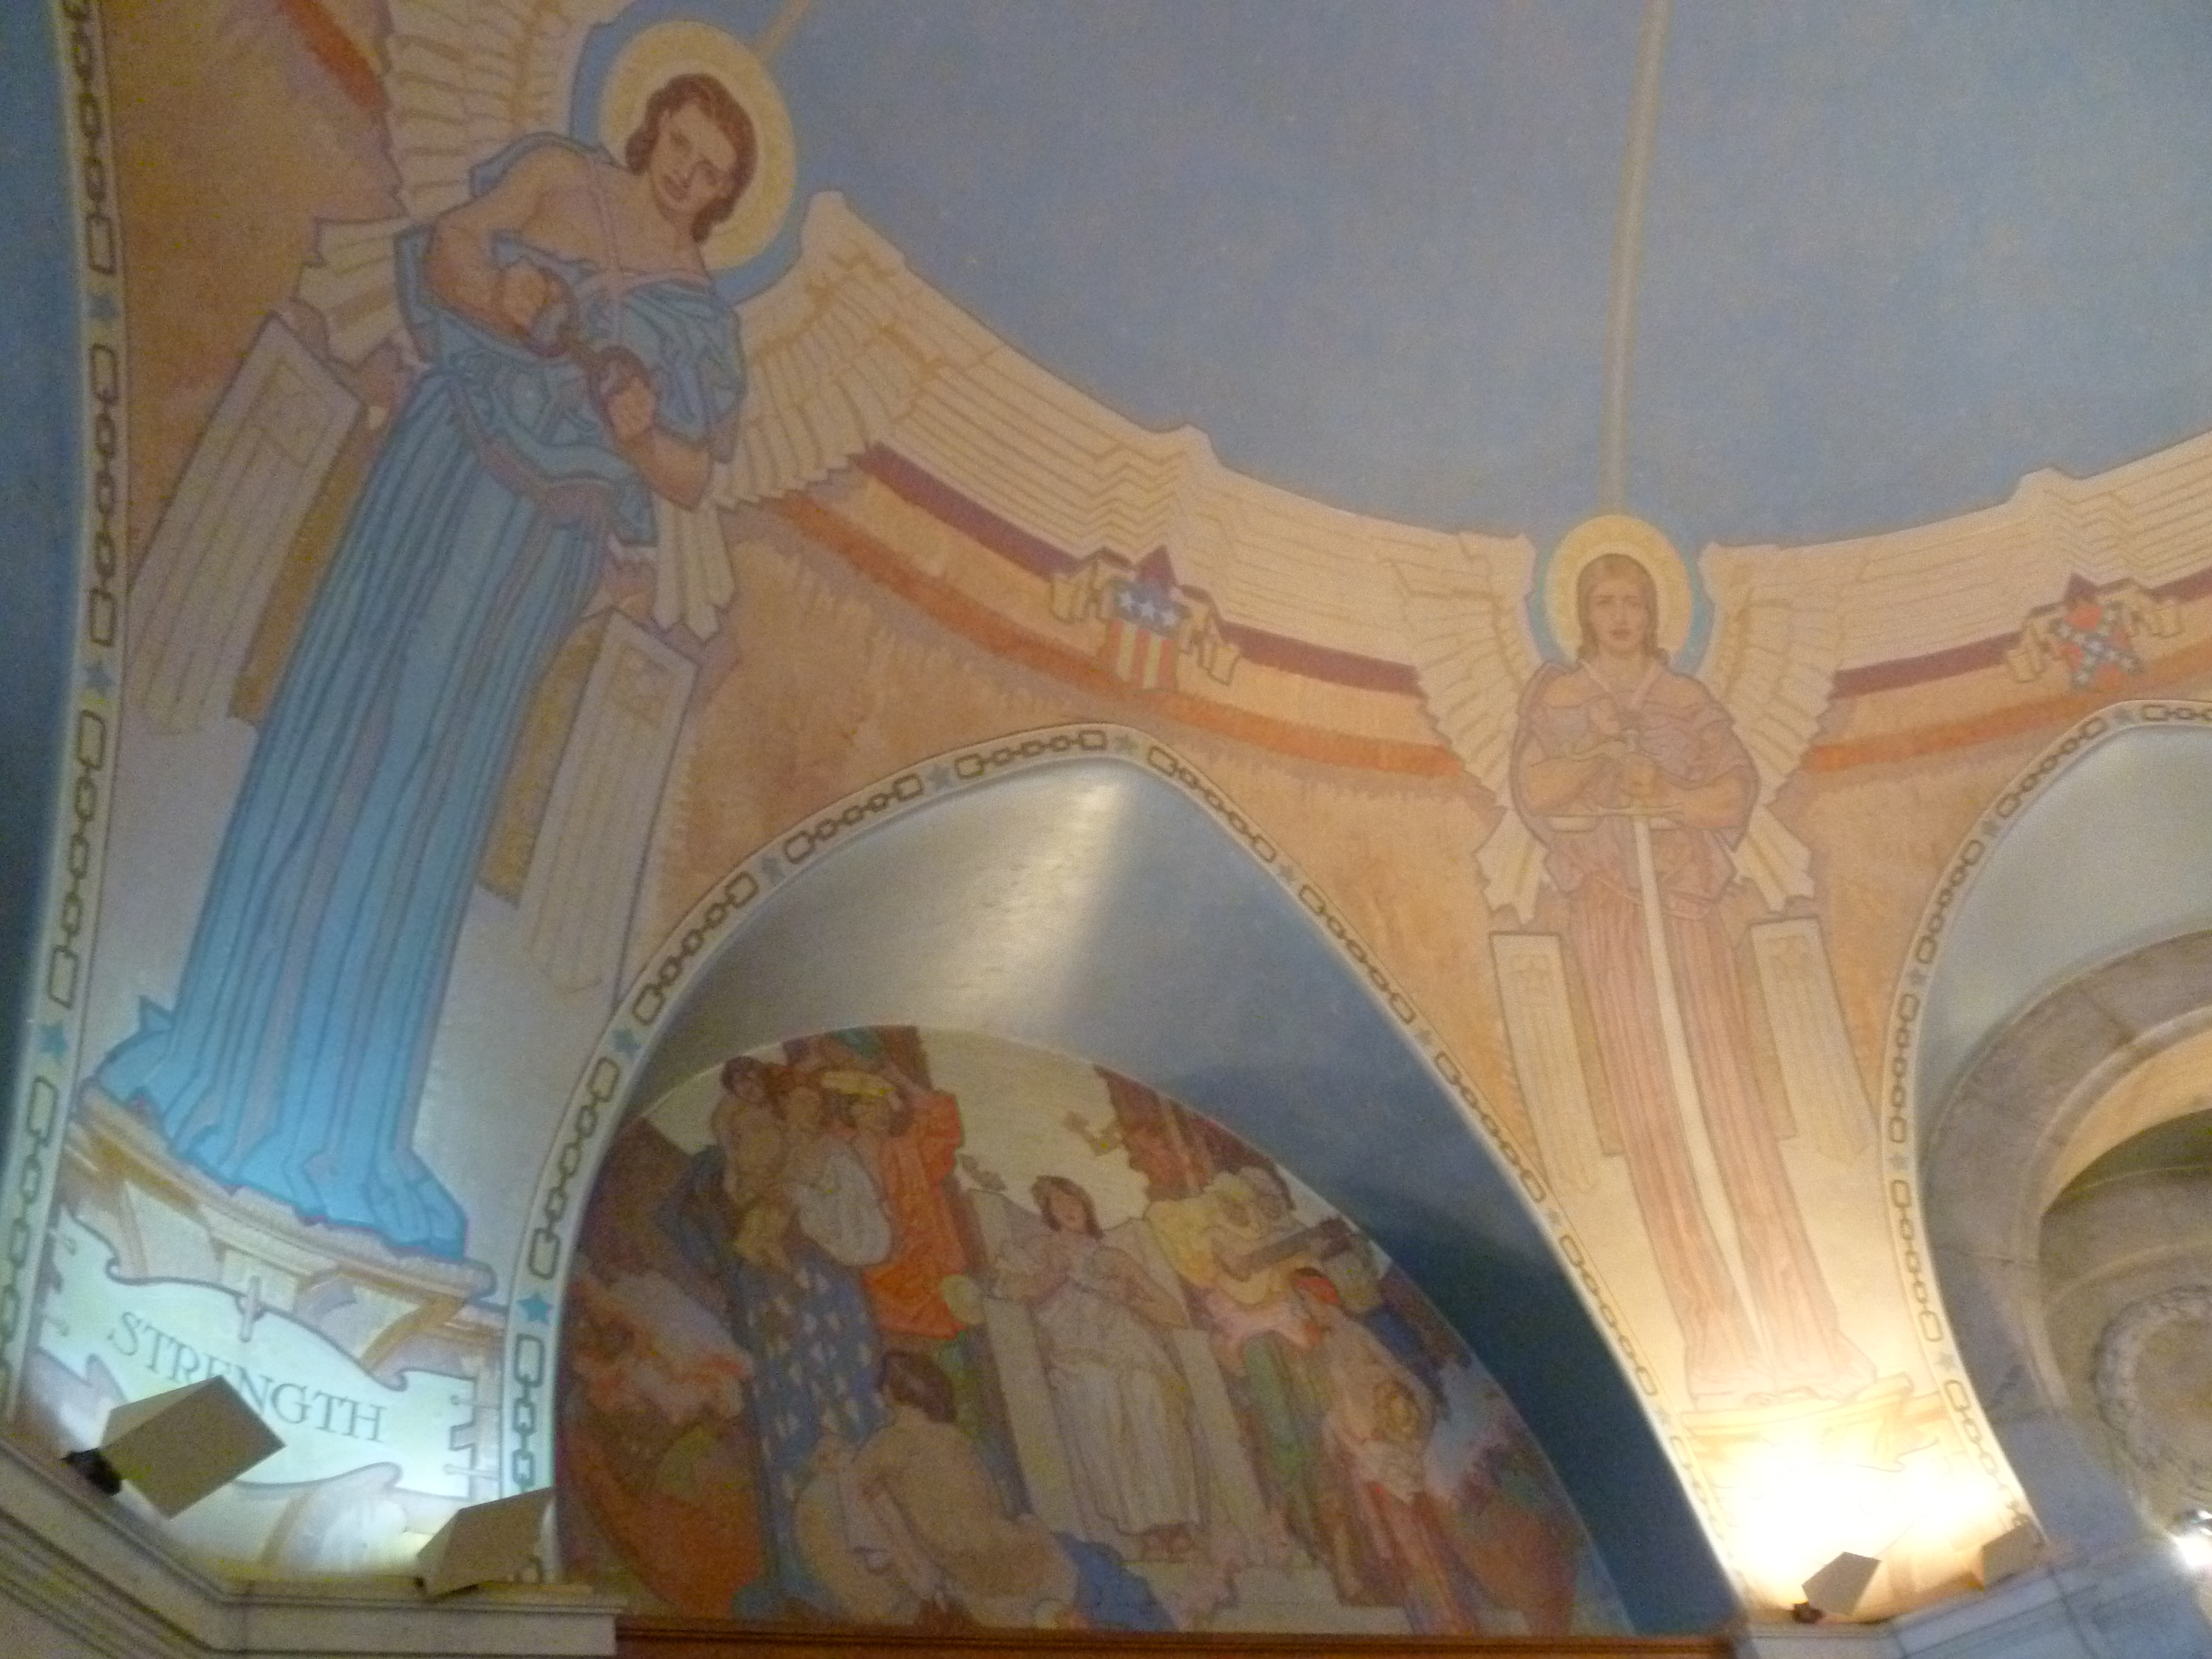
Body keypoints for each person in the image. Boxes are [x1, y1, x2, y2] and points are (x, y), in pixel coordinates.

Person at [93, 75, 754, 1257]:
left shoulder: (706, 316)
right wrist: (505, 299)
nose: (686, 175)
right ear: (653, 129)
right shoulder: (560, 175)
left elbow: (691, 475)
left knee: (438, 771)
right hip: (444, 456)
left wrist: (641, 424)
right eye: (682, 146)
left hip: (539, 537)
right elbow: (447, 250)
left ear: (723, 198)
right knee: (341, 705)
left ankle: (346, 1123)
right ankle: (224, 1044)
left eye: (711, 173)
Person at [1509, 551, 1870, 1403]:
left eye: (1634, 598)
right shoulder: (1558, 698)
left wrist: (1669, 800)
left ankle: (1804, 1330)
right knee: (1651, 1118)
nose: (1621, 613)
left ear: (1657, 609)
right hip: (1612, 917)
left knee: (1734, 1108)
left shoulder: (1687, 702)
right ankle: (1711, 1339)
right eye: (1605, 600)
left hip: (1686, 914)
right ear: (1582, 614)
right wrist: (1598, 755)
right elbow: (1534, 792)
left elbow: (1734, 794)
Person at [798, 1351, 1172, 1630]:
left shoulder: (884, 1445)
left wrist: (834, 1463)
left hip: (973, 1564)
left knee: (1090, 1566)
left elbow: (855, 1488)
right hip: (993, 1556)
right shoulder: (951, 1437)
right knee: (1096, 1566)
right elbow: (993, 1503)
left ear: (892, 1392)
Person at [994, 1176, 1204, 1559]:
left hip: (1132, 1352)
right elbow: (1006, 1289)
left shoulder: (1115, 1258)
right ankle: (1142, 1525)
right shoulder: (1039, 1251)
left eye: (1074, 1199)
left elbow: (1176, 1313)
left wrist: (1131, 1299)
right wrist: (1053, 1276)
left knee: (1148, 1396)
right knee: (1097, 1392)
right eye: (1058, 1203)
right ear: (1048, 1213)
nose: (1069, 1208)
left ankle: (1172, 1520)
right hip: (1079, 1357)